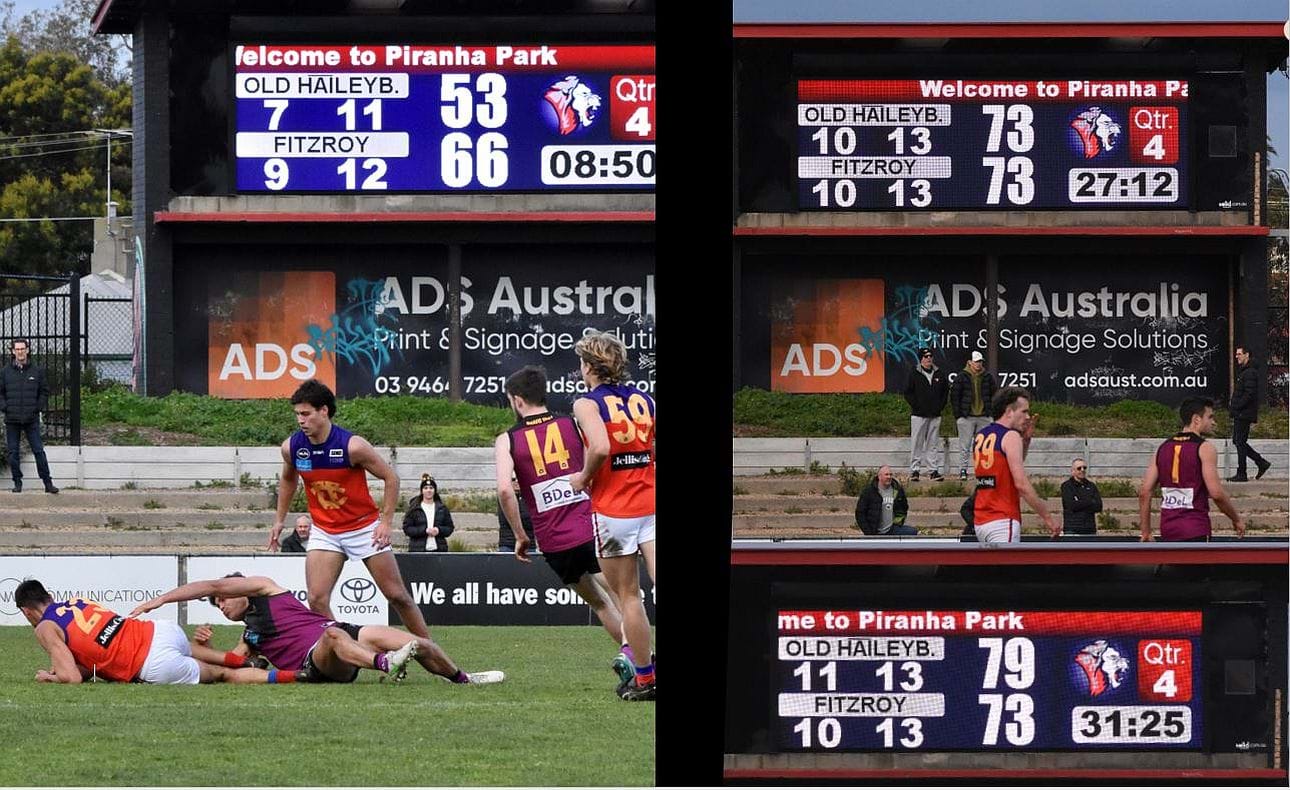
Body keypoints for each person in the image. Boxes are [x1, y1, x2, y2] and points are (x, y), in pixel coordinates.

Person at [494, 365, 631, 686]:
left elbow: (504, 489)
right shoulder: (572, 423)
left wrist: (519, 534)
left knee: (599, 604)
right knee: (625, 597)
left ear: (517, 401)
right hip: (592, 527)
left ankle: (636, 657)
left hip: (554, 540)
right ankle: (640, 660)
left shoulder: (508, 439)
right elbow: (596, 463)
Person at [266, 379, 431, 640]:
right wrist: (279, 520)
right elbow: (288, 479)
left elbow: (391, 478)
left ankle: (430, 650)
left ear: (324, 411)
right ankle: (350, 655)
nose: (300, 420)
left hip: (364, 528)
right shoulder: (292, 447)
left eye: (306, 414)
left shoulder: (352, 446)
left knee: (397, 595)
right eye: (297, 414)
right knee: (316, 599)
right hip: (325, 531)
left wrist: (386, 522)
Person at [129, 573, 502, 684]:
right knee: (334, 636)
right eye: (217, 604)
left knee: (419, 642)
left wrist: (158, 600)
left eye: (224, 598)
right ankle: (388, 664)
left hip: (346, 632)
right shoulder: (250, 636)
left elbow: (211, 585)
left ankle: (463, 678)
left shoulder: (265, 586)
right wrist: (199, 644)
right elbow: (236, 665)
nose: (221, 603)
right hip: (324, 657)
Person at [569, 332, 656, 702]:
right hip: (652, 503)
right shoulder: (646, 399)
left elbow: (601, 446)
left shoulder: (587, 404)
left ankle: (646, 679)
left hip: (615, 510)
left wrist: (583, 477)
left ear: (589, 365)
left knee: (629, 597)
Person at [14, 578, 290, 685]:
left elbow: (72, 677)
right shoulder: (77, 601)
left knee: (223, 676)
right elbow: (95, 655)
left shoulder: (45, 627)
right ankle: (245, 661)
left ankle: (296, 677)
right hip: (160, 630)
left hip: (150, 662)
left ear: (27, 612)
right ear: (49, 595)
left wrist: (49, 678)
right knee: (192, 650)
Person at [1139, 397, 1246, 542]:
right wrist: (1236, 519)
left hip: (1168, 530)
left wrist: (1146, 531)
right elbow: (1216, 494)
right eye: (1210, 417)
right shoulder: (1204, 448)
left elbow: (1145, 492)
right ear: (1196, 419)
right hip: (1196, 529)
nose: (1213, 422)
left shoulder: (1162, 448)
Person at [972, 387, 1060, 544]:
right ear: (1009, 411)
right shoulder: (1010, 436)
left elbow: (1007, 466)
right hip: (1003, 517)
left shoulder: (981, 435)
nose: (1027, 417)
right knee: (1007, 568)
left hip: (981, 519)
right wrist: (1048, 517)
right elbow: (1021, 484)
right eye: (1024, 412)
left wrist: (1025, 441)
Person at [0, 339, 57, 493]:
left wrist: (37, 408)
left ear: (27, 350)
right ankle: (17, 483)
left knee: (39, 451)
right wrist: (6, 408)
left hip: (31, 420)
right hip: (12, 420)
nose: (20, 352)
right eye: (17, 349)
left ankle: (48, 483)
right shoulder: (5, 372)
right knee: (13, 453)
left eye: (22, 349)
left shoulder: (37, 371)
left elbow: (44, 391)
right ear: (12, 351)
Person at [950, 350, 996, 481]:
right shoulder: (961, 377)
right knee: (965, 446)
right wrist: (958, 415)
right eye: (976, 361)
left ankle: (982, 471)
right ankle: (963, 470)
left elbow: (994, 395)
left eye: (980, 361)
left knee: (983, 447)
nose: (979, 364)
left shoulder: (987, 377)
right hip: (966, 417)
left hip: (984, 416)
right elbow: (954, 396)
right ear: (970, 362)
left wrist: (991, 413)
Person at [904, 347, 947, 482]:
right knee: (917, 442)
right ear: (921, 359)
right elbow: (908, 392)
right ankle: (915, 470)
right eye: (925, 356)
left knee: (932, 443)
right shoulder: (914, 373)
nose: (928, 358)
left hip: (935, 414)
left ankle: (933, 471)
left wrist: (940, 406)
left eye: (930, 356)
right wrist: (917, 406)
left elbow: (945, 392)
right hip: (919, 415)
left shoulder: (939, 373)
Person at [1228, 345, 1271, 482]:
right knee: (1238, 441)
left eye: (1239, 354)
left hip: (1243, 413)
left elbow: (1249, 393)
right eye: (1236, 354)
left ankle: (1242, 473)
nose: (1237, 356)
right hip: (1241, 412)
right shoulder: (1245, 371)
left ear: (1247, 355)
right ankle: (1261, 462)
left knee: (1240, 442)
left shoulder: (1250, 372)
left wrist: (1237, 407)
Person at [855, 465, 916, 536]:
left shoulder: (898, 490)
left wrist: (898, 522)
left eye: (890, 474)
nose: (889, 477)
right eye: (886, 474)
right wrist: (868, 532)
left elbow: (904, 507)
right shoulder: (869, 492)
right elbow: (860, 513)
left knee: (913, 532)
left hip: (892, 529)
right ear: (879, 476)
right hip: (874, 531)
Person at [402, 474, 455, 552]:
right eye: (425, 488)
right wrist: (424, 531)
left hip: (439, 550)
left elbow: (449, 528)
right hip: (418, 551)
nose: (428, 490)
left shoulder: (442, 508)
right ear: (422, 491)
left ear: (435, 490)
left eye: (431, 488)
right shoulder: (414, 508)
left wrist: (438, 530)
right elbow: (407, 529)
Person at [1060, 458, 1103, 535]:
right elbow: (1071, 505)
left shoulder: (1091, 486)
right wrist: (1090, 502)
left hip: (1090, 530)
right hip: (1073, 530)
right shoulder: (1067, 486)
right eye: (1079, 468)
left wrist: (1080, 502)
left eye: (1084, 468)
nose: (1082, 470)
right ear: (1073, 471)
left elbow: (1098, 506)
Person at [496, 474, 537, 552]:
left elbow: (529, 521)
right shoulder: (503, 497)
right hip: (508, 544)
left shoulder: (530, 497)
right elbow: (506, 519)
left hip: (529, 545)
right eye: (513, 480)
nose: (516, 483)